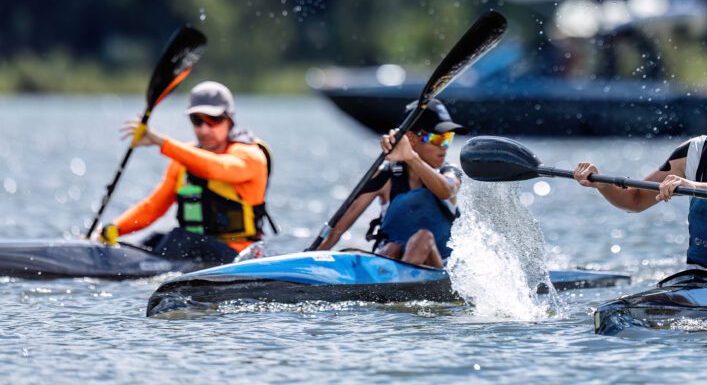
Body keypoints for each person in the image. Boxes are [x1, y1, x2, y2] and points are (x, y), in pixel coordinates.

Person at [573, 61, 707, 288]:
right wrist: (600, 183)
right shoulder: (692, 153)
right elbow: (635, 199)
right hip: (703, 278)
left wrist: (691, 185)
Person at [96, 81, 274, 264]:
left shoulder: (250, 156)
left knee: (180, 237)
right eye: (197, 120)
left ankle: (144, 268)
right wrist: (115, 228)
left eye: (213, 120)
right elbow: (153, 207)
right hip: (196, 250)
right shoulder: (183, 159)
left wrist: (161, 142)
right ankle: (109, 258)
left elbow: (216, 168)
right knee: (154, 238)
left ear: (229, 120)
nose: (204, 129)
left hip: (240, 255)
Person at [316, 98, 465, 268]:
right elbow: (337, 230)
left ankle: (395, 285)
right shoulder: (386, 176)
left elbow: (446, 191)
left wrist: (411, 157)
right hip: (393, 258)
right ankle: (390, 283)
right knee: (392, 247)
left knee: (423, 238)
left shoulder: (450, 173)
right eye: (438, 139)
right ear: (411, 138)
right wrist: (307, 262)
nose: (444, 147)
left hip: (438, 267)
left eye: (448, 138)